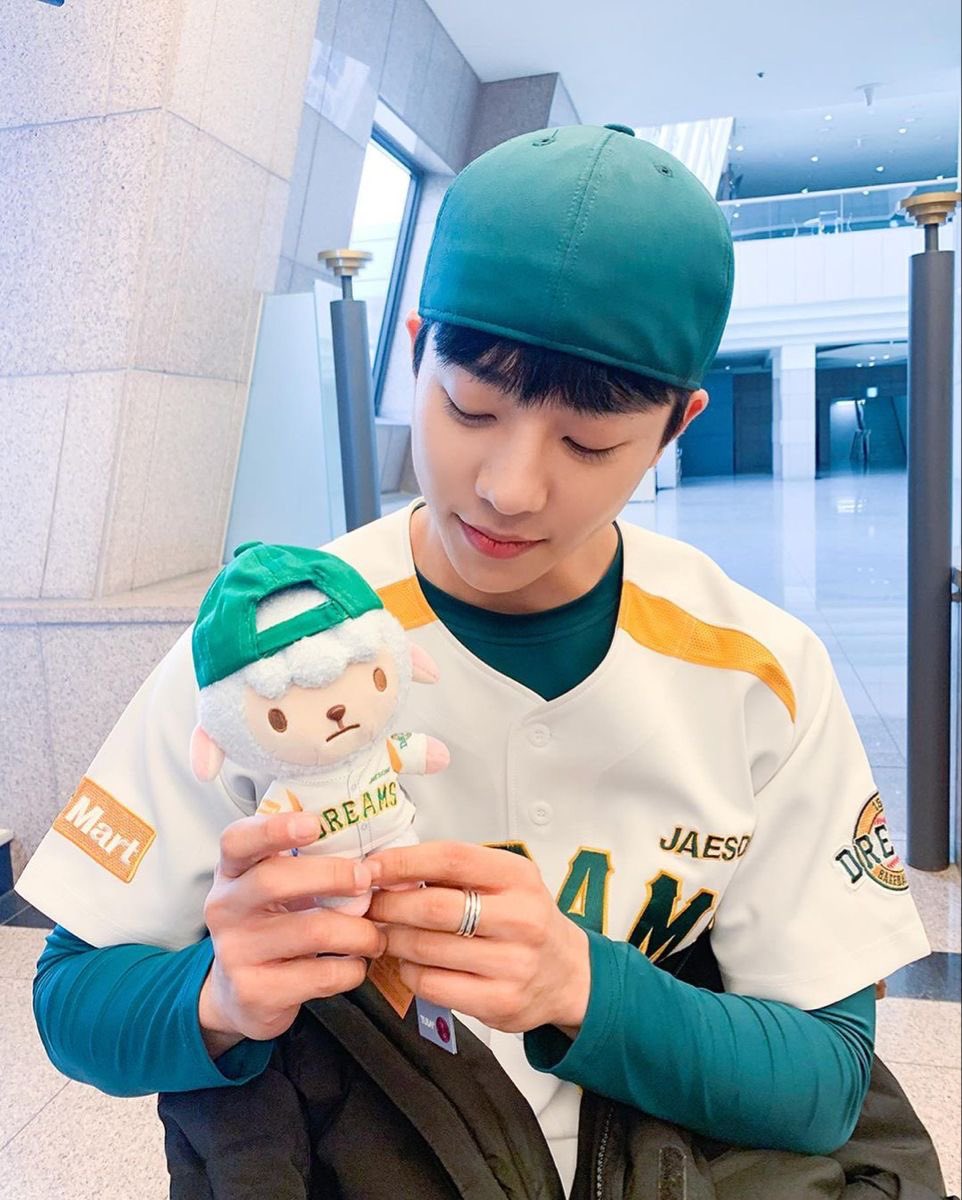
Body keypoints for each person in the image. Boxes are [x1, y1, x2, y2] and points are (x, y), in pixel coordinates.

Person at [18, 125, 942, 1197]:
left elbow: (825, 1083)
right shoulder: (273, 646)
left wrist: (579, 985)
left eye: (588, 444)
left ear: (675, 426)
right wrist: (217, 997)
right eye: (469, 409)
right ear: (416, 351)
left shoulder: (760, 672)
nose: (508, 487)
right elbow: (71, 999)